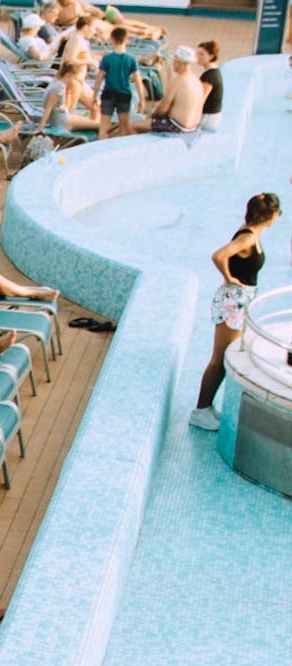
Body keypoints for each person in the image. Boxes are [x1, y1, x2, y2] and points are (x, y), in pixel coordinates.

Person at [191, 193, 279, 432]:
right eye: (276, 212)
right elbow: (218, 255)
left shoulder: (249, 232)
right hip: (233, 302)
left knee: (224, 357)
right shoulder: (248, 239)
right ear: (270, 215)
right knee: (219, 359)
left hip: (238, 301)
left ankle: (206, 408)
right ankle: (200, 410)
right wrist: (229, 279)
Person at [142, 45, 205, 134]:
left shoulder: (178, 80)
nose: (173, 64)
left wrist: (150, 117)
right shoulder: (196, 80)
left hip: (178, 126)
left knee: (133, 126)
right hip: (193, 126)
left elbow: (162, 108)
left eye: (174, 61)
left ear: (180, 63)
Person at [33, 59, 102, 135]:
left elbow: (55, 104)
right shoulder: (59, 88)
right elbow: (48, 108)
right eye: (74, 77)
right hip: (62, 121)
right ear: (70, 74)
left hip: (64, 117)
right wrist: (41, 129)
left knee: (93, 121)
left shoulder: (57, 82)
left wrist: (63, 104)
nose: (74, 79)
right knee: (101, 125)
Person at [95, 26, 142, 139]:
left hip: (108, 93)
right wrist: (142, 100)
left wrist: (94, 95)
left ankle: (101, 149)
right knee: (123, 128)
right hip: (124, 94)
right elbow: (138, 81)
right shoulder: (131, 59)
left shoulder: (107, 58)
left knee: (103, 127)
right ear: (126, 40)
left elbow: (99, 78)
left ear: (112, 39)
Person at [195, 41, 224, 132]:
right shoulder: (213, 72)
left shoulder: (210, 76)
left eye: (201, 54)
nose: (197, 57)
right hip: (211, 117)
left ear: (211, 56)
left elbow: (201, 100)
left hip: (208, 119)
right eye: (197, 53)